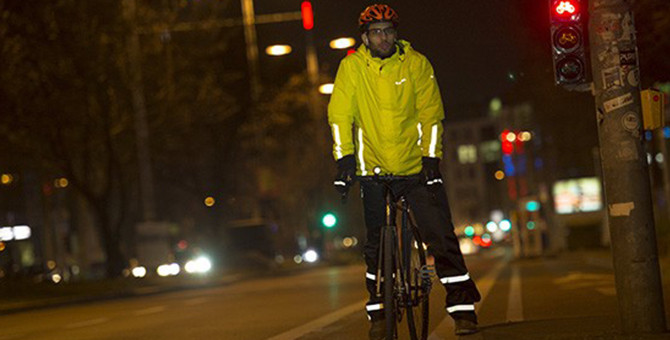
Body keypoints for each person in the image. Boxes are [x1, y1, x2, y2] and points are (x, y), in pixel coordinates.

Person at [327, 4, 481, 339]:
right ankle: (379, 312)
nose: (383, 37)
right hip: (373, 170)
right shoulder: (352, 68)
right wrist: (345, 161)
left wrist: (431, 159)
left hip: (415, 169)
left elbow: (431, 114)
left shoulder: (416, 64)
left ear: (396, 33)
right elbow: (340, 116)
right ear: (365, 37)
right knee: (375, 247)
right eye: (376, 32)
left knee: (439, 236)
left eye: (388, 30)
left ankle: (463, 309)